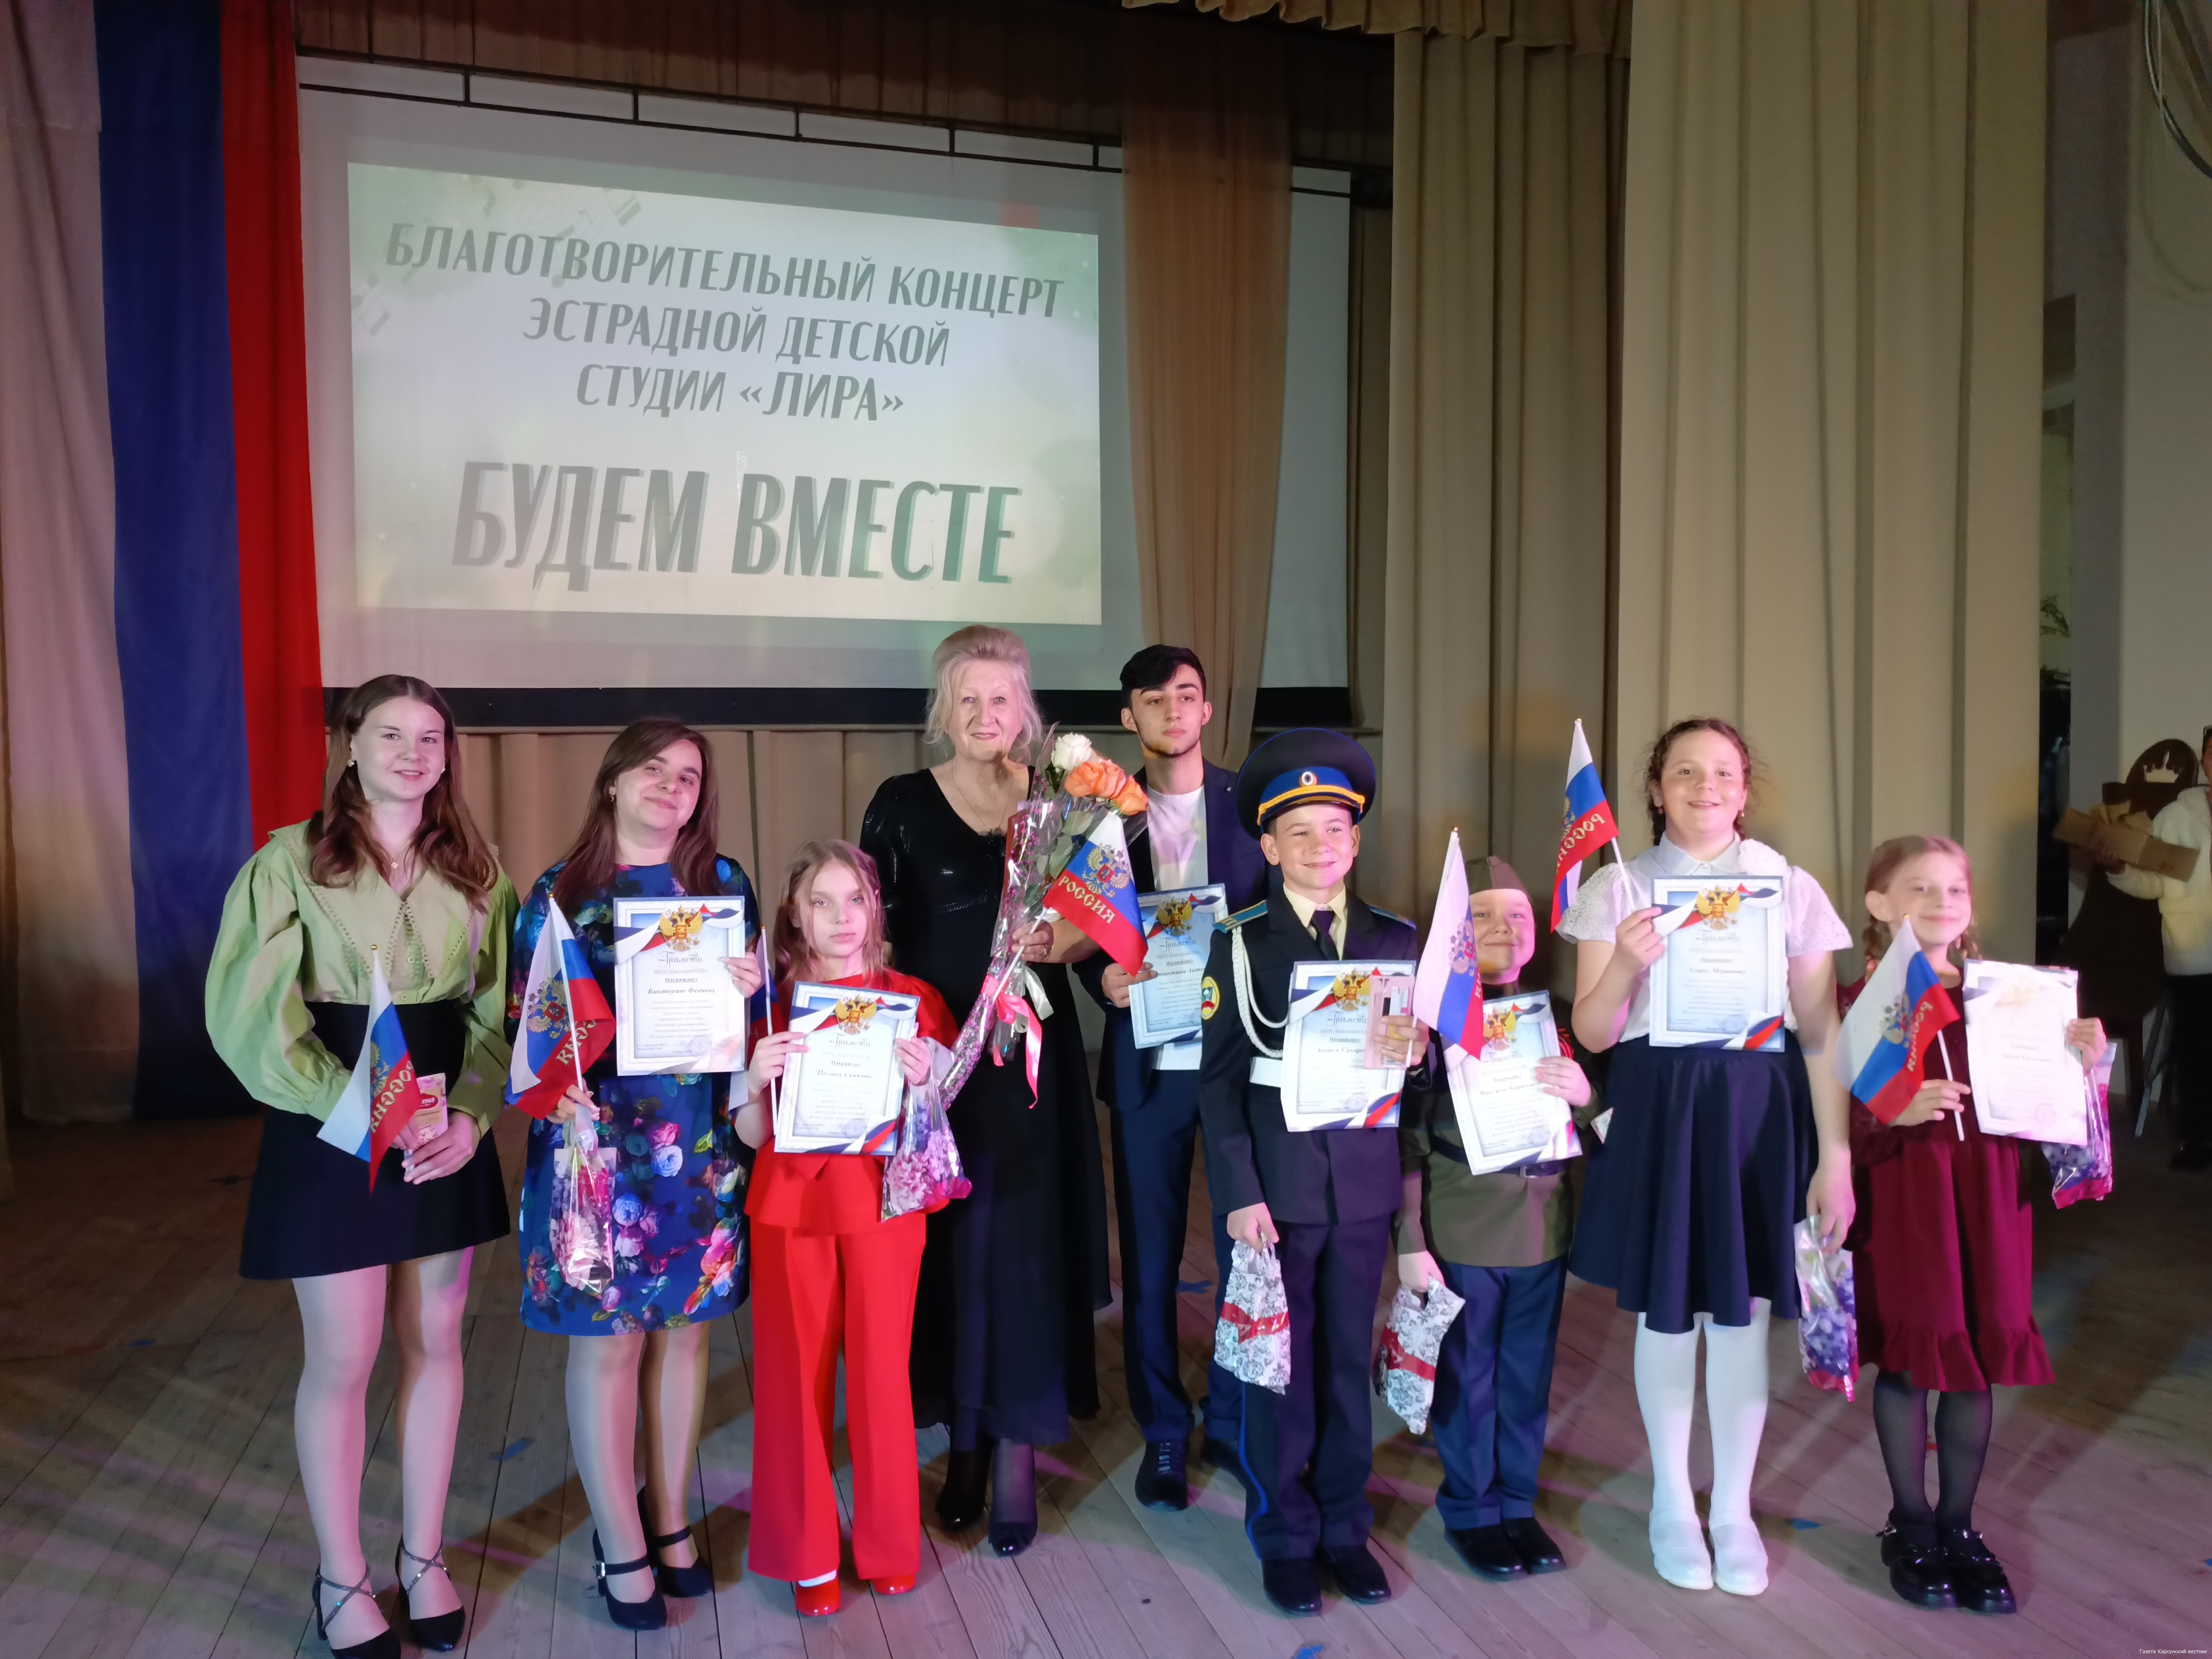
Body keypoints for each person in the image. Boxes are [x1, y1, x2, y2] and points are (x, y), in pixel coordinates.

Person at [208, 675, 516, 1659]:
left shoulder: (480, 869)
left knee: (437, 1341)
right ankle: (341, 1577)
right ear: (349, 745)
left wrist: (469, 1116)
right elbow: (249, 1018)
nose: (413, 753)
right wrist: (354, 1112)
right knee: (345, 1355)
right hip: (331, 1116)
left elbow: (502, 1013)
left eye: (430, 738)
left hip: (441, 1128)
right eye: (391, 735)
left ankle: (423, 1558)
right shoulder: (287, 863)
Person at [1559, 717, 1854, 1598]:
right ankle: (1670, 1503)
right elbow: (1592, 1031)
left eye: (1722, 772)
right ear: (1656, 790)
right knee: (1667, 1313)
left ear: (1745, 787)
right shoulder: (1618, 886)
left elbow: (1819, 1031)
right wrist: (1624, 965)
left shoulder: (1787, 885)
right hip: (1660, 1107)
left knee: (1741, 1314)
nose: (1705, 787)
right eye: (1684, 772)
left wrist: (1834, 1155)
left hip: (1757, 1114)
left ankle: (1731, 1509)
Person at [859, 625, 1111, 1557]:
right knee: (952, 1256)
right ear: (943, 709)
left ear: (1025, 708)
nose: (983, 714)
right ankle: (961, 1443)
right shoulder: (898, 805)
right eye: (966, 699)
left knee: (1023, 1255)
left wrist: (1063, 942)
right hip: (937, 1067)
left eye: (999, 698)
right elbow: (871, 936)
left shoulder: (1062, 803)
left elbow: (1100, 923)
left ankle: (1014, 1453)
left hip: (1030, 1071)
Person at [508, 720, 762, 1632]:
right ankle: (619, 1542)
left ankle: (670, 1521)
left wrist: (751, 991)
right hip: (598, 1151)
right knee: (608, 1344)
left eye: (688, 776)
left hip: (698, 1147)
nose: (670, 786)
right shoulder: (559, 894)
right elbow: (529, 1028)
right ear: (612, 781)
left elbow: (755, 1030)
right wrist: (556, 1089)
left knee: (687, 1337)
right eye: (652, 769)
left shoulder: (723, 884)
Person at [1845, 835, 2105, 1614]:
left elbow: (2053, 1117)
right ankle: (1910, 1522)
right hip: (1908, 1196)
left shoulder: (2011, 997)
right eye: (1918, 888)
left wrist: (2084, 1062)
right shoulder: (1859, 1001)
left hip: (1991, 1195)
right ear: (1879, 904)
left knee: (1975, 1359)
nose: (1940, 902)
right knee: (1912, 1356)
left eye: (1953, 889)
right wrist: (1893, 1109)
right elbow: (1830, 1123)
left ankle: (1959, 1525)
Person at [1197, 728, 1423, 1617]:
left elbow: (1415, 1088)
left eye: (1334, 829)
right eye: (1298, 833)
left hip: (1362, 1188)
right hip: (1278, 1192)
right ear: (1268, 847)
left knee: (1342, 1366)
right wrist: (1238, 1194)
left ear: (1355, 840)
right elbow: (1219, 1083)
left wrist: (1420, 1055)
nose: (1319, 846)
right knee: (1276, 1370)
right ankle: (1284, 1536)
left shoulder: (1395, 939)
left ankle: (1343, 1528)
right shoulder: (1240, 941)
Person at [735, 840, 959, 1618]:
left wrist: (927, 1079)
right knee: (794, 1383)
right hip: (791, 1209)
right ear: (795, 916)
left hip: (883, 1208)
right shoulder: (770, 1004)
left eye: (855, 899)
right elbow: (750, 1133)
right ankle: (807, 1556)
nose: (841, 917)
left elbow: (940, 1119)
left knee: (881, 1378)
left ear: (875, 909)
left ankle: (889, 1543)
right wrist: (752, 1078)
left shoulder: (914, 1000)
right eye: (821, 902)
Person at [1072, 645, 1268, 1510]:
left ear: (1207, 708)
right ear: (1130, 718)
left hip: (1237, 1068)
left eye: (1187, 695)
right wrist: (1101, 981)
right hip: (1148, 1061)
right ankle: (1161, 1423)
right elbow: (1082, 935)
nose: (1173, 711)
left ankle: (1230, 1415)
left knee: (1242, 1249)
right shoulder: (1101, 820)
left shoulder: (1252, 805)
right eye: (1154, 700)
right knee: (1150, 1258)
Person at [1397, 857, 1596, 1582]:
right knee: (1468, 1378)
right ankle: (1471, 1510)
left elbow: (1607, 1125)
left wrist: (1587, 1097)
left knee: (1526, 1379)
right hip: (1463, 1227)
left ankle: (1517, 1504)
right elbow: (1404, 1143)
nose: (1504, 929)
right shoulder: (1425, 1028)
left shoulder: (1564, 1018)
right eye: (1481, 915)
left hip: (1545, 1228)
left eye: (1517, 915)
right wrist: (1410, 1239)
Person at [2107, 727, 2212, 1169]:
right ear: (2205, 760)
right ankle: (2198, 1140)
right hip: (2194, 952)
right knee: (2198, 1051)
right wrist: (2118, 869)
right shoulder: (2177, 815)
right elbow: (2152, 881)